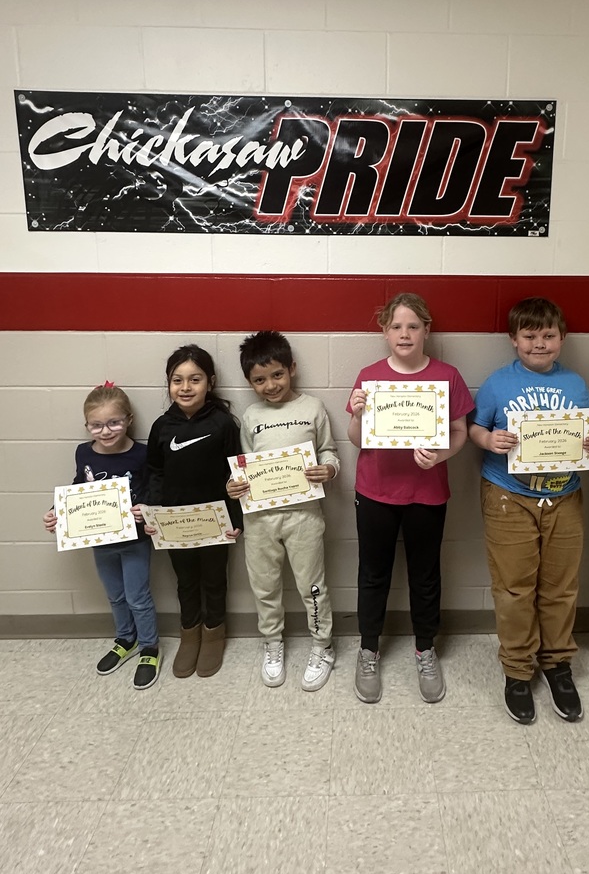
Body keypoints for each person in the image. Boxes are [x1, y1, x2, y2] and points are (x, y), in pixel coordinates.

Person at [469, 297, 589, 725]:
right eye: (530, 336)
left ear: (562, 339)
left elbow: (588, 434)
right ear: (514, 339)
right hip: (509, 496)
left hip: (565, 495)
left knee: (561, 587)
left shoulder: (576, 384)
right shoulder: (497, 383)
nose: (539, 343)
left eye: (548, 335)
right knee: (513, 588)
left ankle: (557, 664)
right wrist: (488, 441)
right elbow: (475, 427)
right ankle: (517, 669)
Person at [347, 292, 474, 705]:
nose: (405, 334)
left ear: (426, 331)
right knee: (373, 573)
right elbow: (354, 440)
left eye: (413, 326)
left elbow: (458, 435)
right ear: (385, 332)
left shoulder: (447, 376)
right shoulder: (369, 377)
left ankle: (425, 648)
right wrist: (358, 414)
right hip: (375, 490)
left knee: (425, 575)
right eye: (396, 326)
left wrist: (440, 454)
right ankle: (368, 649)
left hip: (427, 492)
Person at [226, 331, 340, 692]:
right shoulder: (250, 416)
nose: (270, 385)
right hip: (260, 519)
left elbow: (329, 451)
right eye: (259, 380)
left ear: (292, 369)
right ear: (249, 382)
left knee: (312, 586)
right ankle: (272, 643)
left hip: (304, 515)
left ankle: (323, 646)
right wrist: (234, 486)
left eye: (277, 375)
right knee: (264, 586)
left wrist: (330, 469)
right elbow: (241, 469)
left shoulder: (313, 408)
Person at [43, 383, 161, 690]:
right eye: (96, 425)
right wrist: (58, 511)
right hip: (99, 541)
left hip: (134, 541)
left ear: (129, 419)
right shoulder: (83, 452)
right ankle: (125, 638)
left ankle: (149, 647)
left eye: (114, 423)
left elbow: (151, 490)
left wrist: (145, 507)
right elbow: (75, 489)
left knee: (138, 597)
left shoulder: (142, 454)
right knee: (115, 595)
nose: (105, 431)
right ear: (87, 426)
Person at [145, 345, 242, 679]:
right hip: (174, 525)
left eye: (194, 379)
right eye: (177, 380)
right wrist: (153, 514)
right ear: (169, 384)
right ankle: (190, 633)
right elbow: (154, 474)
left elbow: (236, 475)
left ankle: (214, 633)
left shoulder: (223, 424)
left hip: (215, 522)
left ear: (210, 382)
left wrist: (236, 518)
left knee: (215, 580)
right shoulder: (161, 427)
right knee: (185, 581)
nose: (185, 387)